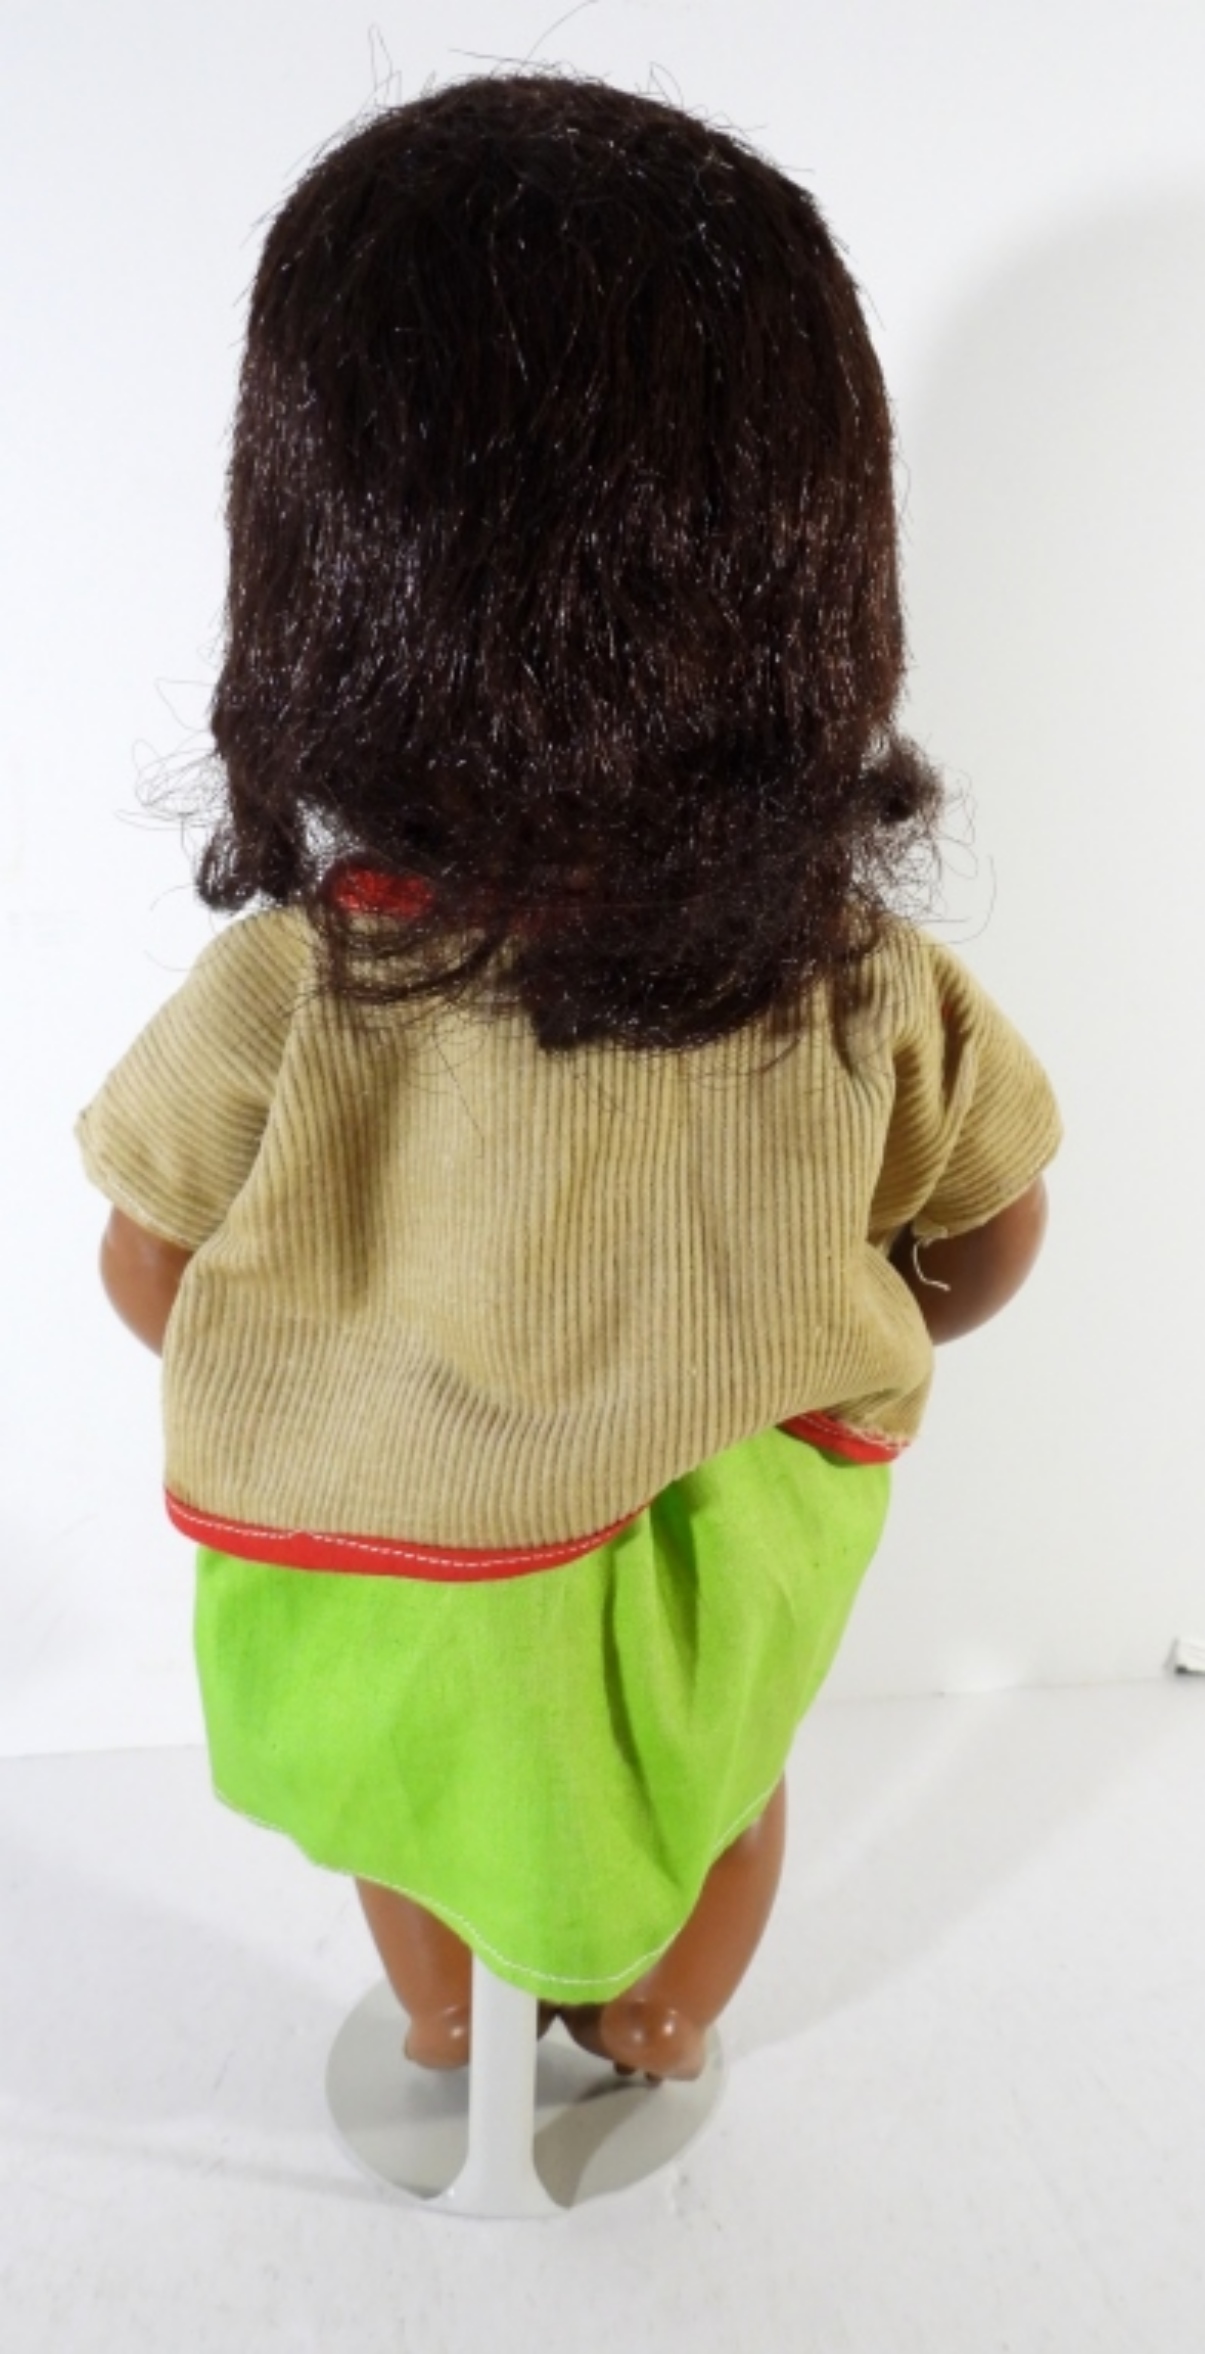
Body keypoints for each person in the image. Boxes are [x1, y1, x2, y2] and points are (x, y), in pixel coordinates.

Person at [77, 73, 1059, 2081]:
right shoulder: (856, 982)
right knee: (723, 1777)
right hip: (720, 1530)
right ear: (811, 570)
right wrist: (836, 1320)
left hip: (391, 1550)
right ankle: (661, 2008)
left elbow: (146, 1264)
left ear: (331, 578)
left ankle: (448, 2002)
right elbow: (994, 1233)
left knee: (407, 1792)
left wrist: (320, 1353)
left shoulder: (302, 983)